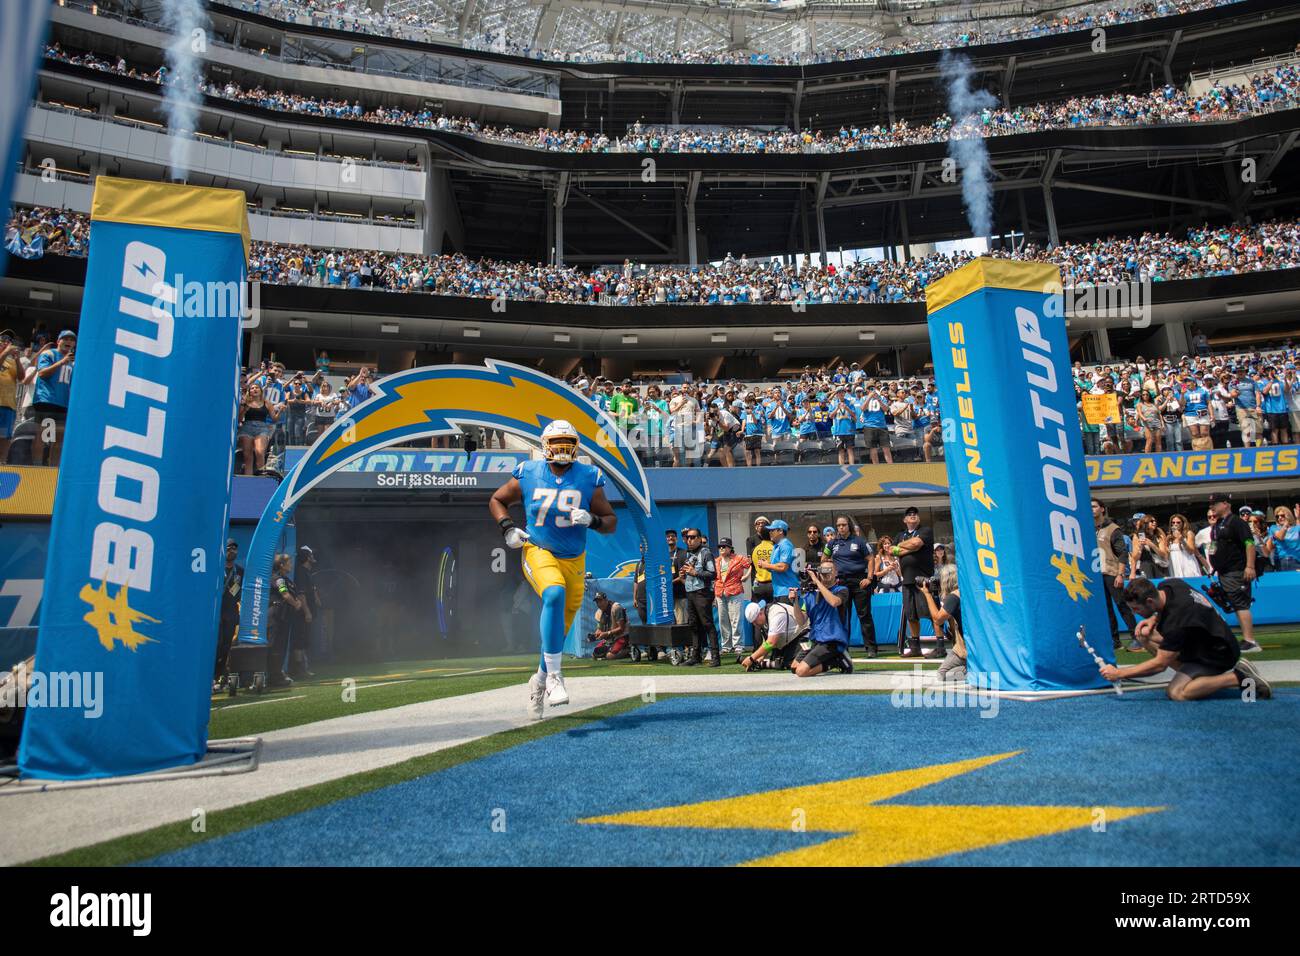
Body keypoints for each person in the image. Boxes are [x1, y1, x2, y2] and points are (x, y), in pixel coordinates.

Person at [489, 420, 617, 719]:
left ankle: (539, 679)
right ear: (545, 445)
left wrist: (593, 520)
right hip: (538, 549)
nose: (561, 448)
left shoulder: (588, 477)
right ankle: (557, 677)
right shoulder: (529, 472)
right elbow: (497, 499)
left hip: (574, 558)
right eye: (556, 442)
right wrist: (508, 528)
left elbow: (611, 522)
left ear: (575, 446)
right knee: (554, 593)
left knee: (559, 630)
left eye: (567, 442)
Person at [1108, 578, 1270, 701]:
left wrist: (1119, 673)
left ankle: (1239, 677)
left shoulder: (1176, 621)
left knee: (1176, 692)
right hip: (1214, 638)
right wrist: (1153, 619)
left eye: (1137, 609)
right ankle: (1196, 676)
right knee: (1144, 634)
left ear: (1149, 602)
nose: (1136, 613)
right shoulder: (1170, 585)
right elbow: (1167, 608)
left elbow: (1160, 665)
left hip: (1219, 654)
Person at [1207, 492, 1260, 653]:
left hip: (1237, 569)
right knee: (1235, 604)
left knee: (1240, 603)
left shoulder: (1236, 522)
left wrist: (1250, 566)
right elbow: (1214, 546)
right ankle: (1246, 639)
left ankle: (1250, 641)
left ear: (1225, 504)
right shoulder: (1218, 524)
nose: (1212, 507)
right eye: (1211, 505)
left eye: (1215, 504)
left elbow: (1249, 544)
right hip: (1223, 571)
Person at [825, 514, 877, 657]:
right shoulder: (832, 543)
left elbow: (871, 559)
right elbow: (824, 559)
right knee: (842, 617)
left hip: (860, 582)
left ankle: (871, 648)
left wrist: (869, 578)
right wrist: (831, 576)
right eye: (839, 525)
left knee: (864, 616)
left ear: (849, 526)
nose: (841, 527)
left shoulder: (859, 541)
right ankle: (843, 649)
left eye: (844, 525)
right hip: (841, 584)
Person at [790, 561, 854, 677]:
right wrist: (795, 602)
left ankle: (838, 661)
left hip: (832, 640)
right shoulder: (810, 595)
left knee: (801, 671)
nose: (825, 573)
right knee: (794, 667)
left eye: (829, 570)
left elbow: (834, 602)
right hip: (815, 639)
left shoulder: (841, 590)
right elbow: (801, 621)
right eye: (822, 570)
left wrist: (817, 582)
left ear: (836, 573)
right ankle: (834, 659)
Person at [1092, 499, 1137, 651]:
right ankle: (1115, 641)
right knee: (1106, 609)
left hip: (1112, 573)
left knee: (1121, 604)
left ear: (1102, 509)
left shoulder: (1112, 528)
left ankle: (1137, 637)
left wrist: (1120, 574)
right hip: (1097, 574)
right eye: (1089, 507)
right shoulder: (1088, 528)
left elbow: (1122, 553)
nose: (1091, 509)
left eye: (1094, 506)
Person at [890, 507, 935, 657]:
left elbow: (916, 543)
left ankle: (942, 644)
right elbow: (891, 550)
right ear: (905, 520)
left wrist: (903, 546)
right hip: (907, 580)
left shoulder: (926, 530)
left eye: (915, 514)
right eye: (909, 515)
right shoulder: (899, 534)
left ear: (919, 518)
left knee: (931, 613)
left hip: (924, 579)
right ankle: (915, 648)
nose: (912, 516)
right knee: (911, 615)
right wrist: (911, 547)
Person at [30, 330, 74, 467]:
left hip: (63, 404)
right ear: (58, 341)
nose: (68, 341)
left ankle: (53, 468)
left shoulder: (73, 362)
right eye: (65, 338)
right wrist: (62, 362)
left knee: (59, 438)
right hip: (47, 401)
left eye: (71, 340)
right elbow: (42, 373)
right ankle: (36, 467)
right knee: (44, 435)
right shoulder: (49, 354)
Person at [920, 564, 965, 681]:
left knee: (943, 674)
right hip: (969, 645)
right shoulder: (967, 591)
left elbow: (938, 619)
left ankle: (973, 671)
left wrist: (927, 594)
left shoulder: (954, 596)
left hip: (966, 648)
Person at [681, 528, 719, 665]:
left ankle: (715, 657)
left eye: (692, 537)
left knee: (708, 624)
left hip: (703, 592)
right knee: (693, 625)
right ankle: (695, 657)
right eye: (687, 537)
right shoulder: (689, 554)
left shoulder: (706, 553)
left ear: (699, 538)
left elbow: (713, 574)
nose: (689, 540)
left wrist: (695, 573)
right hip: (690, 592)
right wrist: (683, 576)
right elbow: (689, 573)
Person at [267, 553, 301, 688]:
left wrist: (296, 601)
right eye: (289, 562)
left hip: (285, 617)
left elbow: (292, 593)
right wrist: (296, 604)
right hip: (276, 616)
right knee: (274, 646)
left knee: (281, 646)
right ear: (281, 565)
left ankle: (277, 674)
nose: (291, 565)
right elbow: (285, 595)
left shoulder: (287, 579)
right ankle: (272, 676)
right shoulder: (277, 579)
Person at [739, 598, 800, 671]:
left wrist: (751, 658)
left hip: (801, 635)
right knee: (778, 660)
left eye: (755, 622)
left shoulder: (776, 615)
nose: (755, 625)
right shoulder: (765, 615)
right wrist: (761, 657)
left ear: (760, 613)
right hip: (788, 639)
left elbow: (771, 642)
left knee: (791, 664)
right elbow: (767, 642)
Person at [214, 539, 243, 692]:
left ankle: (221, 678)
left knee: (226, 645)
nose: (232, 551)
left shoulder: (239, 571)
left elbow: (241, 592)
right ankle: (211, 677)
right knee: (216, 645)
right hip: (215, 613)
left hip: (231, 613)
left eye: (235, 548)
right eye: (229, 548)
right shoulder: (216, 568)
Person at [713, 537, 750, 655]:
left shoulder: (738, 558)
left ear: (730, 548)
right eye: (720, 547)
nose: (721, 548)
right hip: (720, 592)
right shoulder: (716, 561)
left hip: (735, 591)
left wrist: (746, 576)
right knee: (723, 620)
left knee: (736, 620)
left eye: (724, 546)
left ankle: (738, 645)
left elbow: (750, 564)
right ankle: (726, 646)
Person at [755, 519, 798, 605]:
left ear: (780, 531)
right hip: (779, 592)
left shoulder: (785, 545)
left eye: (772, 530)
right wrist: (766, 565)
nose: (769, 532)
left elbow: (783, 567)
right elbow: (775, 568)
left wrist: (766, 565)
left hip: (787, 592)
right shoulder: (776, 546)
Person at [1166, 514, 1210, 578]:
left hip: (1187, 563)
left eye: (1178, 522)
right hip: (1175, 564)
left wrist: (1182, 540)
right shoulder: (1169, 537)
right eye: (1173, 522)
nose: (1175, 524)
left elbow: (1191, 551)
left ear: (1183, 523)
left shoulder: (1188, 534)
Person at [589, 591, 630, 660]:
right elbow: (599, 629)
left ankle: (628, 650)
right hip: (609, 639)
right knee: (594, 655)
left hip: (621, 637)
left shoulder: (616, 608)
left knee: (610, 656)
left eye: (600, 601)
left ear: (606, 600)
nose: (598, 604)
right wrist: (595, 635)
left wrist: (607, 633)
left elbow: (622, 628)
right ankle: (610, 650)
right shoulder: (599, 612)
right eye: (597, 602)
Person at [1268, 505, 1300, 571]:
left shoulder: (1296, 528)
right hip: (1281, 560)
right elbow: (1280, 537)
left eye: (1282, 515)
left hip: (1297, 560)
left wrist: (1298, 518)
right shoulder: (1274, 528)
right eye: (1277, 516)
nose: (1279, 518)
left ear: (1288, 515)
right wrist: (1286, 524)